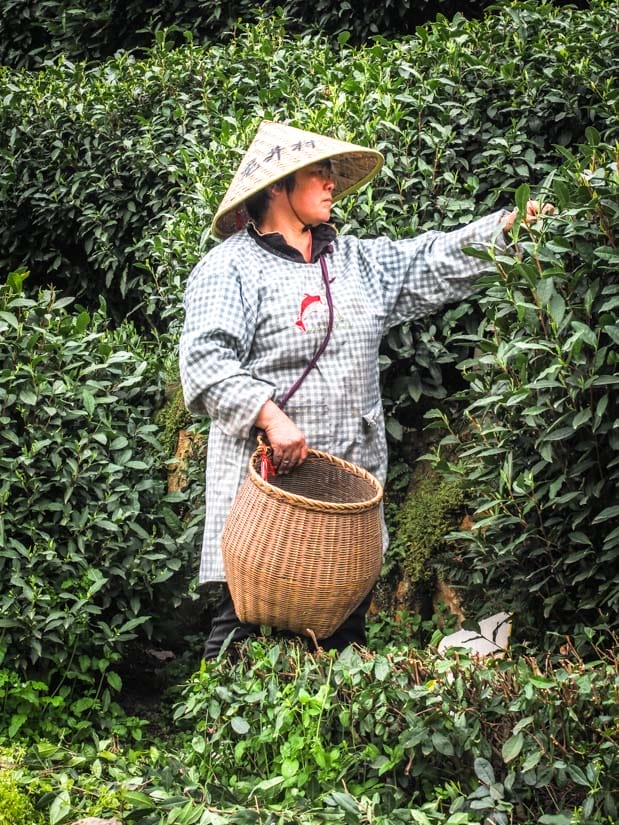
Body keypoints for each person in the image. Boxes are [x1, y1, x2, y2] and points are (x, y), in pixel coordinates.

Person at [179, 120, 544, 659]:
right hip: (270, 491)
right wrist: (271, 417)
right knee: (246, 625)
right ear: (278, 185)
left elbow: (433, 259)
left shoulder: (356, 262)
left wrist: (510, 229)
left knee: (341, 636)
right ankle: (219, 737)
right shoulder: (230, 267)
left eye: (331, 173)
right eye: (318, 173)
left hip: (348, 491)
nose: (332, 183)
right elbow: (206, 359)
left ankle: (328, 736)